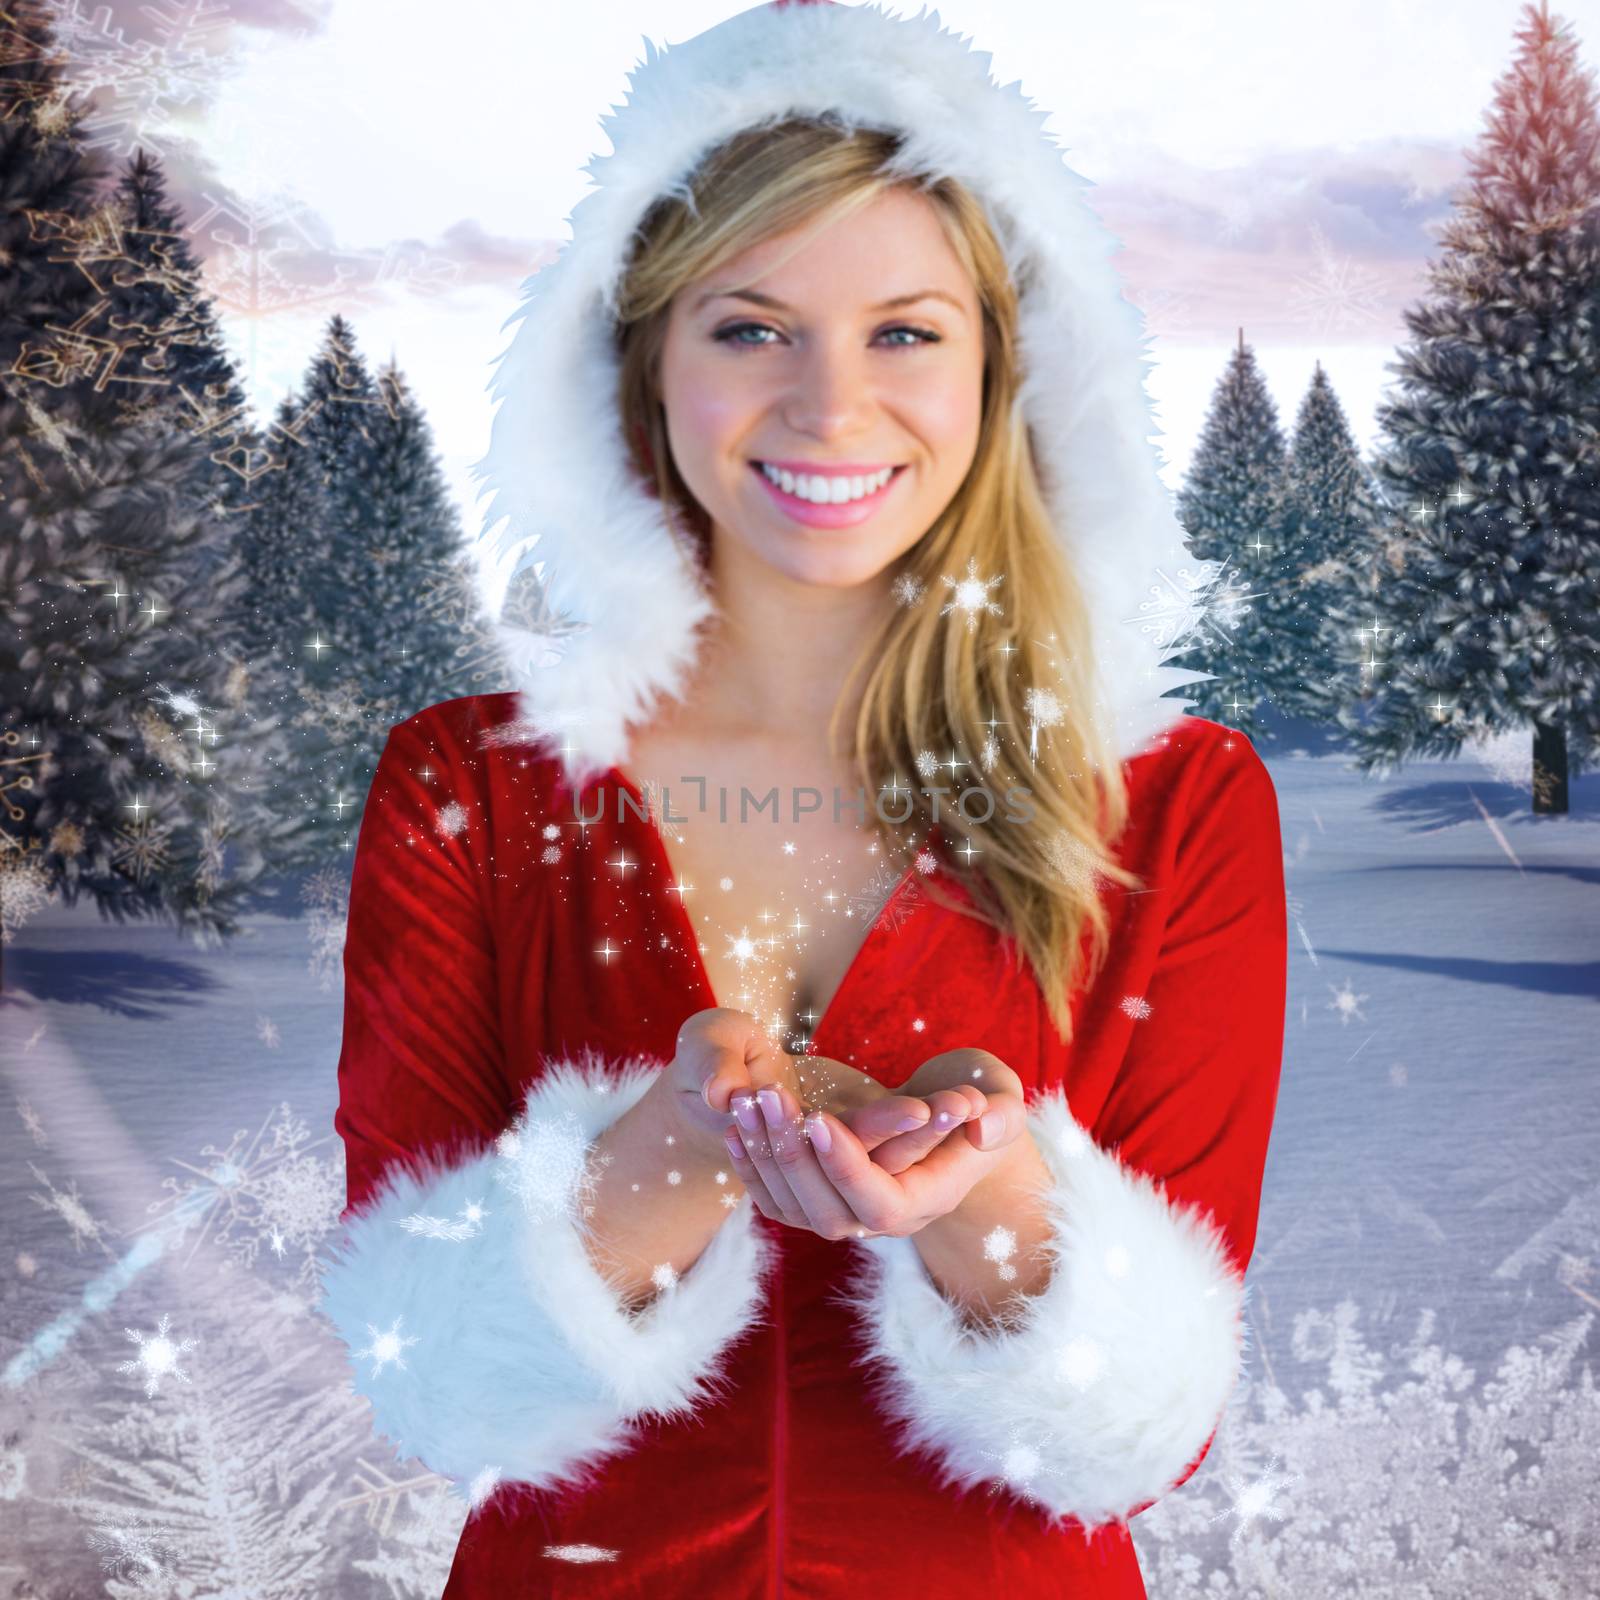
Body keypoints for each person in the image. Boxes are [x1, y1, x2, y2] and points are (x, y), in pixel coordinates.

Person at [315, 3, 1288, 1595]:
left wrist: (988, 1188)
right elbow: (431, 1369)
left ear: (1002, 376)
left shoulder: (1175, 807)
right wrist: (675, 1150)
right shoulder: (468, 793)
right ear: (642, 367)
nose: (832, 408)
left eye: (905, 330)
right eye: (751, 326)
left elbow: (1146, 1430)